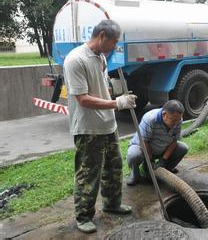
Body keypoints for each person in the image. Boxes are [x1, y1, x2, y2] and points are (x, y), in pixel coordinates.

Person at [64, 20, 137, 234]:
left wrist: (116, 94)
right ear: (102, 35)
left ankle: (112, 204)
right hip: (88, 128)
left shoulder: (101, 57)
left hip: (107, 123)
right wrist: (117, 103)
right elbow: (83, 99)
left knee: (113, 169)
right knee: (89, 174)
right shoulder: (76, 59)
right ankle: (84, 216)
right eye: (113, 42)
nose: (114, 47)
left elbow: (100, 88)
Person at [126, 100, 188, 186]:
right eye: (173, 120)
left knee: (183, 148)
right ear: (164, 114)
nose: (176, 123)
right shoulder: (150, 118)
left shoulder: (177, 120)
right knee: (133, 155)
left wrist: (164, 160)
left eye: (178, 120)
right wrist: (150, 160)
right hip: (143, 147)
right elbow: (144, 141)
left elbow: (174, 141)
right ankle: (135, 174)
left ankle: (165, 170)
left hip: (163, 147)